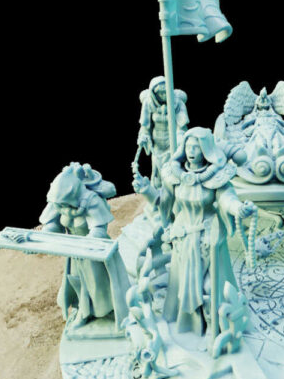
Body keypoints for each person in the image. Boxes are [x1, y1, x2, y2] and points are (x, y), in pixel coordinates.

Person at [160, 127, 256, 337]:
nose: (191, 151)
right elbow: (164, 202)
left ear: (206, 150)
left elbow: (226, 198)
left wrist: (238, 209)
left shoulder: (216, 177)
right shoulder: (174, 174)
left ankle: (216, 322)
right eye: (188, 147)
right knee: (182, 281)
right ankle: (188, 323)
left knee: (211, 285)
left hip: (207, 235)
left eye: (196, 147)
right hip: (183, 234)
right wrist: (161, 217)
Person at [39, 163, 126, 329]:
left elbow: (99, 229)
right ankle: (83, 312)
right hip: (74, 252)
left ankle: (111, 311)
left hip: (94, 252)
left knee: (100, 285)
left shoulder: (90, 200)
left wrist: (88, 244)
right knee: (76, 282)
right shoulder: (59, 202)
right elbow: (52, 225)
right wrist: (42, 238)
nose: (62, 207)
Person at [138, 75, 189, 188]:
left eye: (165, 92)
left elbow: (181, 125)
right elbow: (145, 125)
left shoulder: (177, 103)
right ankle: (158, 190)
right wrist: (144, 136)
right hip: (157, 142)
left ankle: (175, 189)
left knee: (174, 164)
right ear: (154, 94)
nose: (163, 95)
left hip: (172, 139)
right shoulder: (149, 103)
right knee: (157, 167)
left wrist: (180, 138)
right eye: (160, 93)